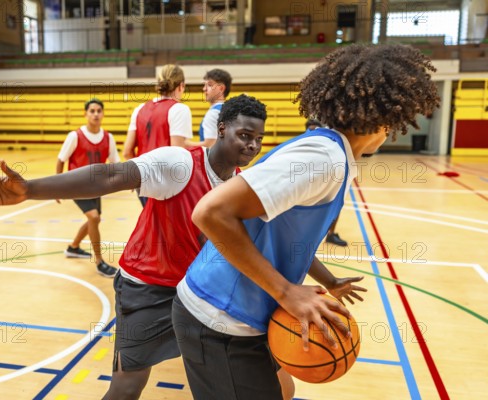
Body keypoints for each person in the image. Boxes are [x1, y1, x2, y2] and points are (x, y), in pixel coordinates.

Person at [171, 44, 440, 400]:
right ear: (382, 120)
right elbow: (209, 213)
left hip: (242, 310)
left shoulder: (332, 155)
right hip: (218, 313)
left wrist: (327, 280)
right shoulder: (324, 159)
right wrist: (287, 292)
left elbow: (281, 235)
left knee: (283, 389)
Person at [0, 94, 268, 400]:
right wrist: (31, 189)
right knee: (126, 388)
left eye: (258, 138)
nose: (252, 145)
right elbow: (110, 175)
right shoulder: (180, 163)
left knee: (239, 377)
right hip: (147, 288)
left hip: (197, 292)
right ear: (222, 128)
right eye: (244, 135)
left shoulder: (240, 186)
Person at [56, 98, 118, 277]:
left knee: (94, 220)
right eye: (92, 111)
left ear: (103, 114)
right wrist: (58, 186)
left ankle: (73, 247)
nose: (96, 114)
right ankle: (99, 262)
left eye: (99, 110)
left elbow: (115, 163)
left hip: (96, 187)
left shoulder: (108, 137)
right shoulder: (75, 136)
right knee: (94, 216)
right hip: (76, 184)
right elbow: (61, 159)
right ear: (85, 114)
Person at [122, 64, 193, 207]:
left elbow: (127, 151)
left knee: (153, 227)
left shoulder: (139, 109)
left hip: (142, 180)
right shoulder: (179, 109)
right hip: (165, 182)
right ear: (181, 86)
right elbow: (178, 153)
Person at [305, 118, 348, 247]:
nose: (312, 130)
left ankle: (330, 234)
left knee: (336, 206)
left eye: (315, 128)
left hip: (328, 179)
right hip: (309, 182)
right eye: (310, 128)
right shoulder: (304, 141)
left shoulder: (328, 142)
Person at [191, 68, 232, 148]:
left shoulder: (214, 113)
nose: (204, 89)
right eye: (204, 85)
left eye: (209, 85)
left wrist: (184, 144)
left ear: (221, 88)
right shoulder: (229, 110)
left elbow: (210, 146)